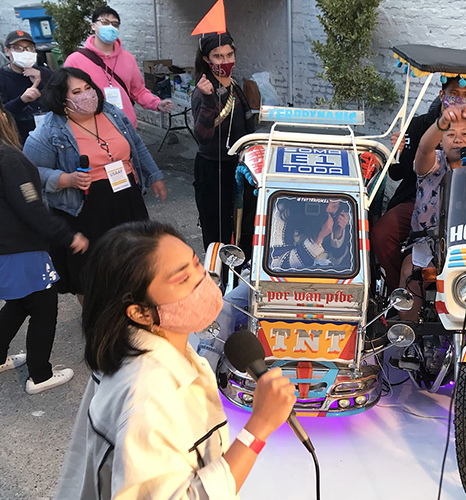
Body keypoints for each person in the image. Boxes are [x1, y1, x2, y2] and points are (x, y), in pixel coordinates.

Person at [56, 221, 296, 499]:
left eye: (196, 264)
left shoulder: (140, 347)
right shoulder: (149, 397)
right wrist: (259, 427)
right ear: (141, 312)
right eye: (182, 279)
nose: (203, 279)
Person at [0, 87, 87, 392]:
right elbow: (32, 208)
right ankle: (41, 375)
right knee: (44, 305)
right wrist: (67, 236)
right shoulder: (7, 157)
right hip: (19, 251)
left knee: (20, 302)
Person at [23, 67, 167, 297]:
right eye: (77, 91)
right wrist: (65, 179)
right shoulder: (50, 130)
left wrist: (154, 175)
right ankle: (96, 319)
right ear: (62, 99)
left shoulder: (111, 113)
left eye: (88, 88)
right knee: (91, 270)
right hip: (84, 206)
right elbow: (30, 171)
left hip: (125, 195)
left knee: (133, 256)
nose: (86, 95)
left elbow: (137, 144)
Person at [372, 77, 466, 293]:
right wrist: (399, 150)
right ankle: (398, 290)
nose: (460, 100)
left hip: (461, 203)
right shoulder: (420, 124)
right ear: (442, 95)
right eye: (454, 93)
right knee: (382, 233)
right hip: (419, 198)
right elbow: (399, 172)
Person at [398, 104, 466, 320]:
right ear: (441, 141)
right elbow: (424, 148)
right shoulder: (432, 163)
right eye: (450, 134)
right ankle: (408, 334)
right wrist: (441, 123)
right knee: (410, 273)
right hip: (429, 242)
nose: (458, 139)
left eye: (464, 134)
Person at [191, 32, 256, 257]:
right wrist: (209, 99)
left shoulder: (234, 85)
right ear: (206, 59)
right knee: (217, 233)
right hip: (213, 170)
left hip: (239, 167)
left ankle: (240, 277)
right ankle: (219, 281)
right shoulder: (202, 92)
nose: (225, 61)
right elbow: (202, 135)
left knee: (244, 227)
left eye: (229, 54)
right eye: (218, 56)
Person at [64, 6, 173, 128]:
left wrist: (157, 104)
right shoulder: (75, 60)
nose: (110, 27)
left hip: (126, 126)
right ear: (93, 26)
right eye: (105, 22)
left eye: (115, 24)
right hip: (94, 130)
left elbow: (138, 90)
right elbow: (68, 98)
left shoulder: (128, 58)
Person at [0, 30, 53, 144]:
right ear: (7, 51)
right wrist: (22, 100)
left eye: (29, 48)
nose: (25, 52)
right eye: (18, 48)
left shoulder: (46, 73)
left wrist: (42, 83)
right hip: (17, 141)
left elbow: (62, 101)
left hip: (50, 138)